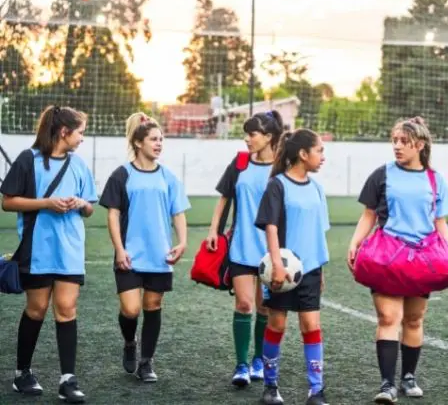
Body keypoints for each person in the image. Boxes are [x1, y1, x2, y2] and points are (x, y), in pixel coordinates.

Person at [347, 117, 448, 404]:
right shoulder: (381, 175)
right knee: (388, 317)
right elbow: (368, 214)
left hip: (423, 259)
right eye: (394, 140)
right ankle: (387, 385)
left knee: (414, 318)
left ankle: (408, 377)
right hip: (387, 256)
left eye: (403, 141)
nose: (396, 146)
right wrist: (355, 242)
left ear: (419, 145)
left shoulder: (436, 179)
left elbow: (439, 221)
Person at [0, 105, 97, 404]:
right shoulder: (28, 160)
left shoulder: (79, 165)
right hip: (38, 250)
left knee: (67, 308)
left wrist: (81, 203)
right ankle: (22, 374)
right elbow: (8, 202)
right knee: (37, 309)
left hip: (70, 250)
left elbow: (91, 207)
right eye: (80, 132)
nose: (83, 137)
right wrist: (46, 203)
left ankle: (68, 380)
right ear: (63, 131)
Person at [99, 113, 190, 383]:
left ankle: (146, 362)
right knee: (131, 309)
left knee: (153, 305)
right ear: (138, 143)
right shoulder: (122, 175)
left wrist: (182, 241)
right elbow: (113, 214)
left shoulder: (169, 177)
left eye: (161, 139)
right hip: (129, 254)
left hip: (159, 255)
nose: (159, 144)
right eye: (153, 139)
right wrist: (119, 248)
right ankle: (130, 341)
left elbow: (178, 212)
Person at [207, 110, 284, 387]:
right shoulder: (240, 162)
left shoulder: (282, 167)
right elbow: (224, 197)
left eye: (251, 134)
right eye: (246, 133)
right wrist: (214, 230)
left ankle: (258, 361)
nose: (246, 139)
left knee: (264, 309)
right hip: (240, 246)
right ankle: (241, 365)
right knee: (243, 304)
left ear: (268, 137)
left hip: (270, 251)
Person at [254, 128, 330, 405]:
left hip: (310, 270)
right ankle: (271, 386)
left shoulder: (317, 189)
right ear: (302, 153)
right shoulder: (278, 185)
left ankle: (316, 390)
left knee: (311, 325)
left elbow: (318, 232)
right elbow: (271, 228)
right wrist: (276, 264)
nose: (323, 156)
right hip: (282, 272)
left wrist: (321, 270)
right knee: (277, 324)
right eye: (319, 150)